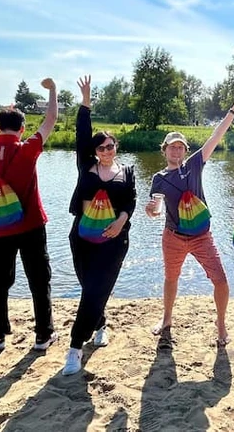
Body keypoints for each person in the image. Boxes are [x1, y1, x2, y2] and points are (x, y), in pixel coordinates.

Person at [145, 89, 234, 349]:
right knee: (171, 279)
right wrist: (151, 211)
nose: (177, 150)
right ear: (164, 150)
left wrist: (233, 111)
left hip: (202, 236)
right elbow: (156, 207)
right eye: (172, 146)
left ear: (185, 150)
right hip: (173, 237)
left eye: (181, 147)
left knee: (221, 281)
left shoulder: (194, 165)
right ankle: (167, 319)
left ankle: (221, 323)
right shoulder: (158, 178)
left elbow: (216, 135)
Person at [0, 77, 58, 352]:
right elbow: (51, 120)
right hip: (30, 225)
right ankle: (43, 336)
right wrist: (53, 90)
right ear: (22, 129)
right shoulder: (28, 149)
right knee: (39, 281)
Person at [62, 76, 137, 376]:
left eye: (110, 146)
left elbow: (130, 202)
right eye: (101, 147)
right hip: (82, 237)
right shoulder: (86, 165)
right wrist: (86, 102)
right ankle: (101, 322)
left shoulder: (127, 172)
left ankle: (74, 348)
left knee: (95, 287)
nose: (106, 150)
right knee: (88, 287)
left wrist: (121, 222)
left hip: (114, 240)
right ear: (94, 151)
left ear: (116, 147)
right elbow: (82, 134)